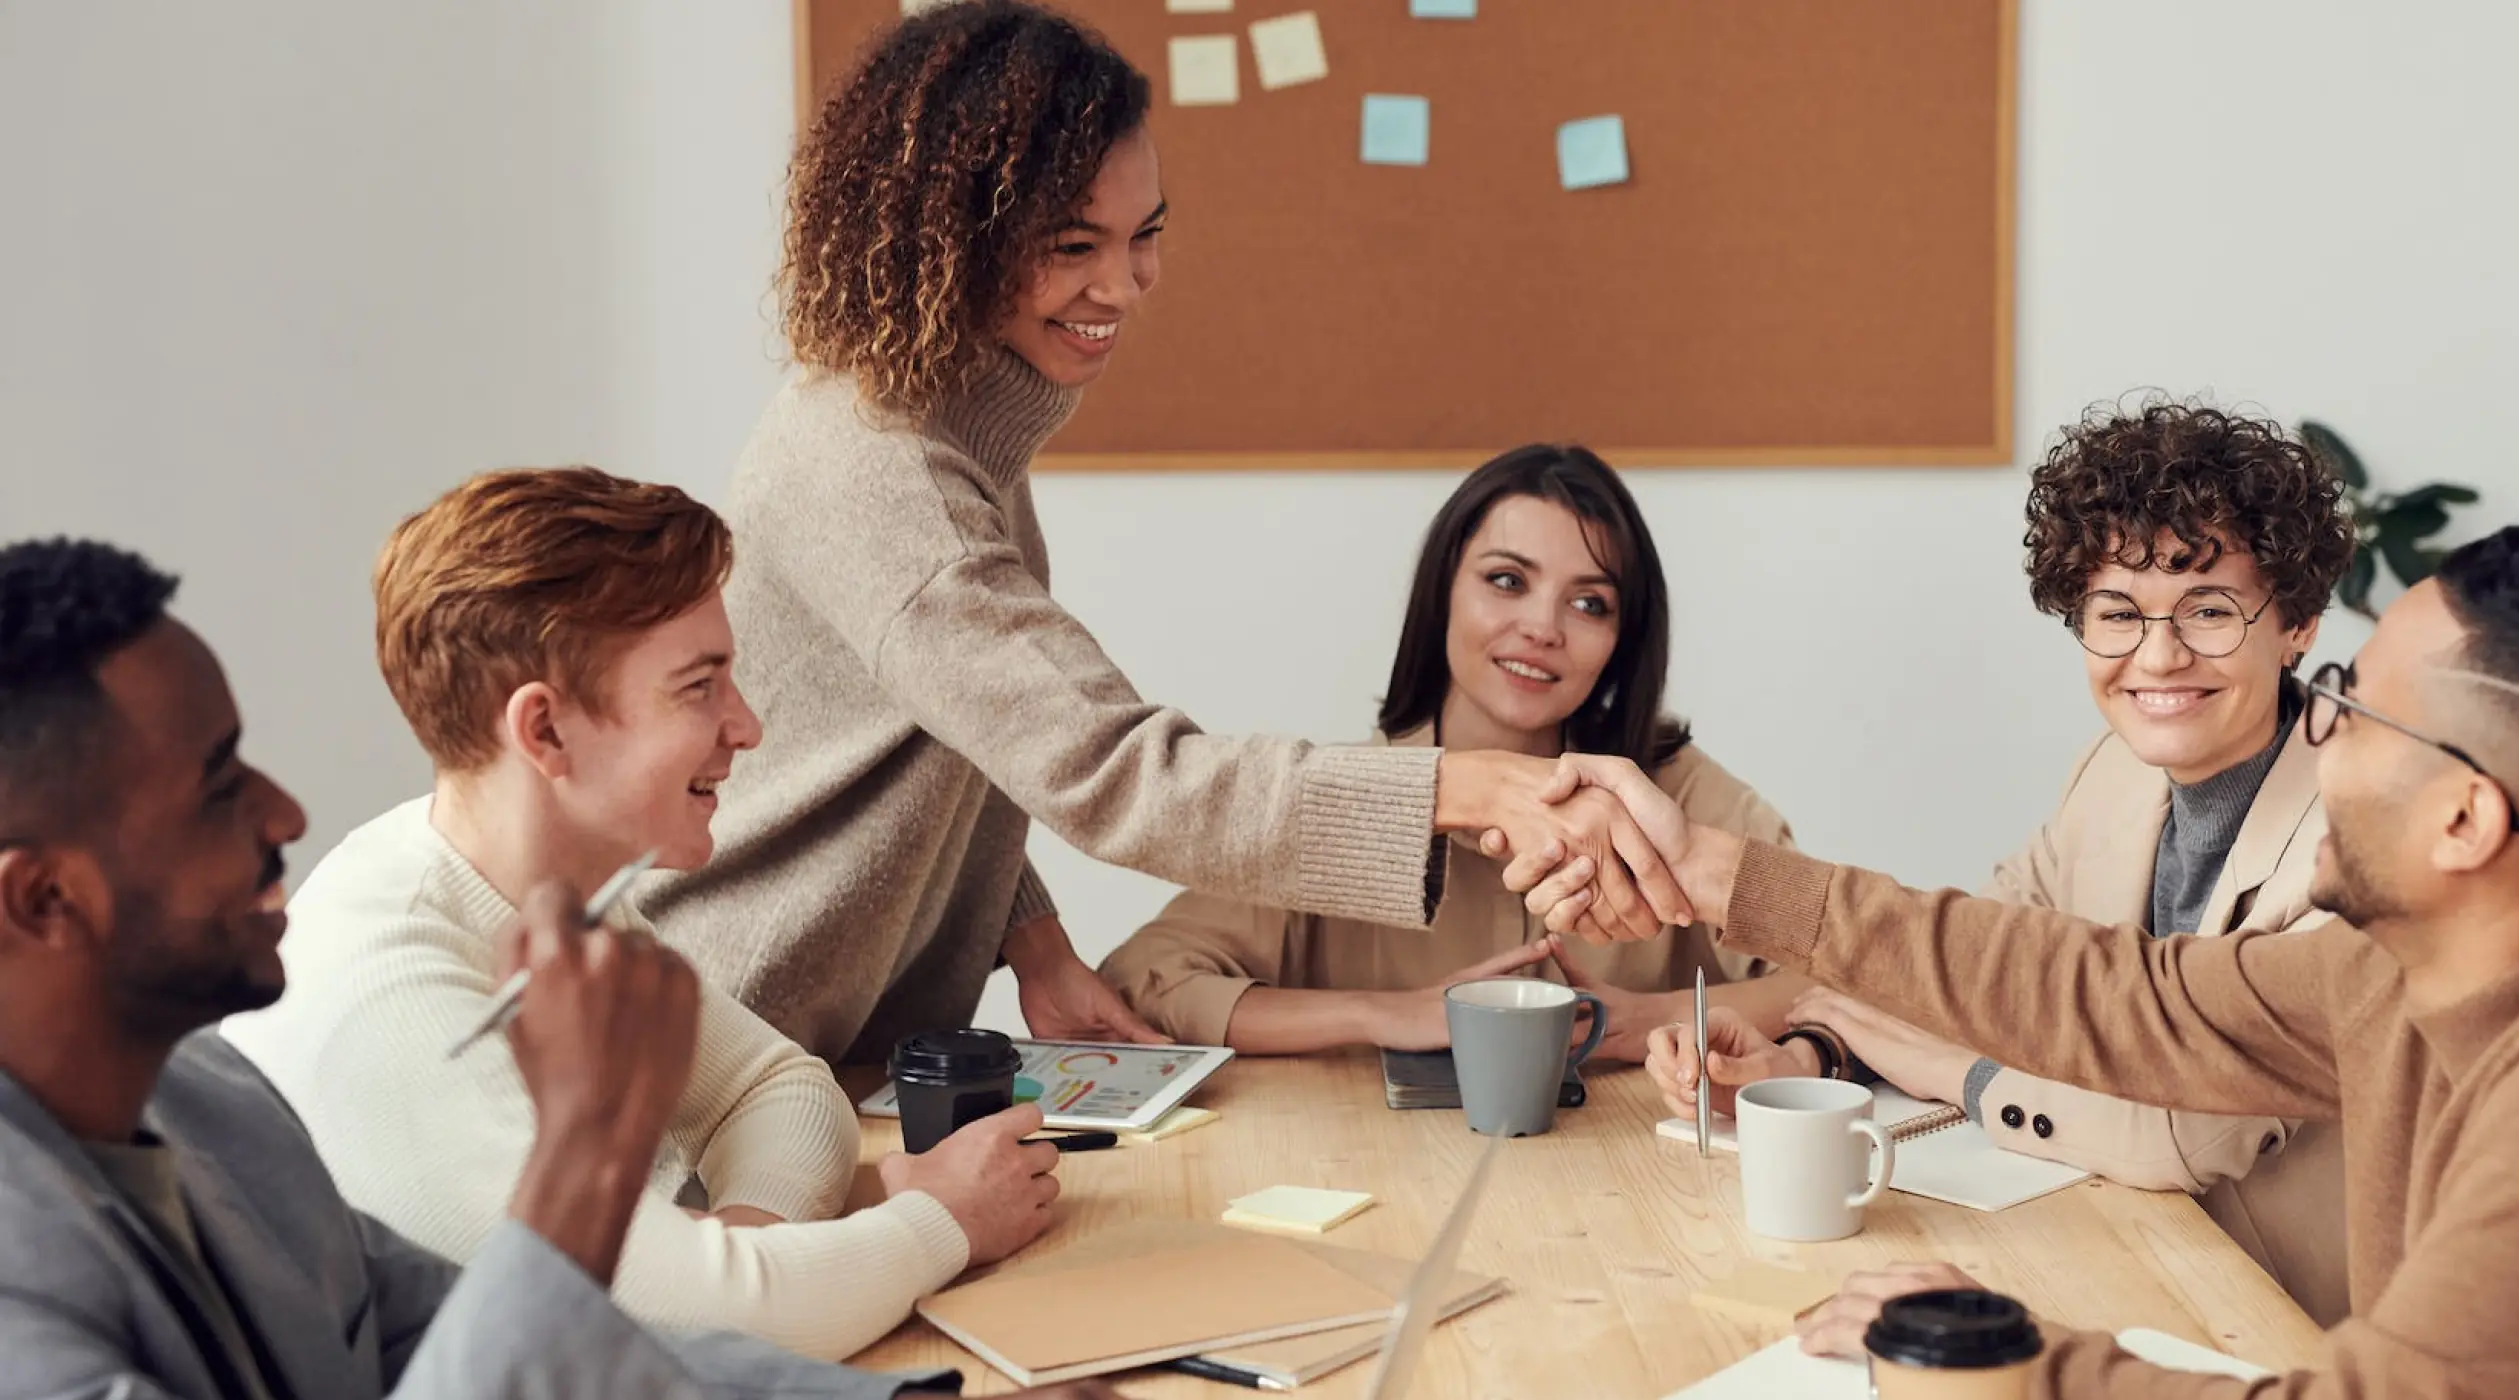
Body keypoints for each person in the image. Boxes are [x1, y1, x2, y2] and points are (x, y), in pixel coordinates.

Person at [1531, 526, 2519, 1397]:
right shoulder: (2395, 968)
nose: (2312, 732)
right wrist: (1724, 877)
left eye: (2345, 705)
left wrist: (2018, 1369)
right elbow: (2114, 995)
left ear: (2466, 819)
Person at [641, 0, 1687, 1067]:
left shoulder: (947, 430)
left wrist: (1034, 941)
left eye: (1145, 235)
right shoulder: (885, 473)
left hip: (832, 1052)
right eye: (1073, 244)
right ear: (952, 239)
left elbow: (967, 735)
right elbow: (1117, 768)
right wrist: (1456, 787)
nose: (1124, 284)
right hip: (726, 1048)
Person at [0, 536, 1001, 1398]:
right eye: (218, 785)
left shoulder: (218, 1105)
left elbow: (479, 1336)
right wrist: (588, 1149)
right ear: (43, 898)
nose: (287, 814)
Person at [219, 470, 1057, 1362]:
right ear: (543, 732)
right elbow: (676, 1329)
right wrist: (941, 1222)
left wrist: (742, 1252)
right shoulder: (392, 991)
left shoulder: (550, 889)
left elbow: (781, 1089)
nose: (746, 728)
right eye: (699, 688)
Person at [1645, 401, 2358, 1321]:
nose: (2158, 655)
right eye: (2117, 613)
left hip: (2288, 1318)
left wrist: (1961, 1075)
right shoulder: (2112, 773)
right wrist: (1810, 1055)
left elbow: (2185, 1135)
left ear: (2296, 622)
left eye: (2209, 610)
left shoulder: (2353, 836)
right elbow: (1971, 967)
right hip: (2119, 1256)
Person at [1099, 445, 1801, 1059]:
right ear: (1443, 595)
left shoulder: (1679, 797)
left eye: (1590, 604)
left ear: (1624, 642)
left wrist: (1657, 1017)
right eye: (1506, 581)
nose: (1541, 628)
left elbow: (1850, 977)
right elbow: (1144, 980)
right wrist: (1382, 1013)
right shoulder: (1344, 801)